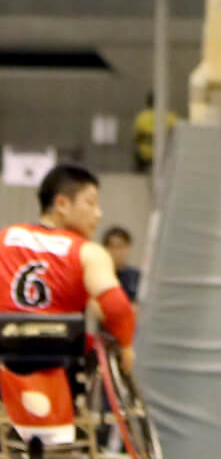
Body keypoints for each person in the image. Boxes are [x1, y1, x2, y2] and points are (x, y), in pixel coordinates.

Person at [0, 164, 137, 450]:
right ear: (61, 204)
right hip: (58, 360)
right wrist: (125, 347)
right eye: (90, 203)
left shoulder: (4, 238)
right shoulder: (87, 251)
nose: (98, 213)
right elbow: (116, 308)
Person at [131, 92, 178, 173]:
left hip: (144, 158)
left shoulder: (142, 117)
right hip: (165, 158)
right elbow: (176, 139)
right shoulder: (171, 117)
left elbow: (136, 139)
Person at [101, 225, 140, 301]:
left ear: (128, 247)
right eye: (111, 246)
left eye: (120, 246)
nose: (116, 251)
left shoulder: (136, 275)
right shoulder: (98, 274)